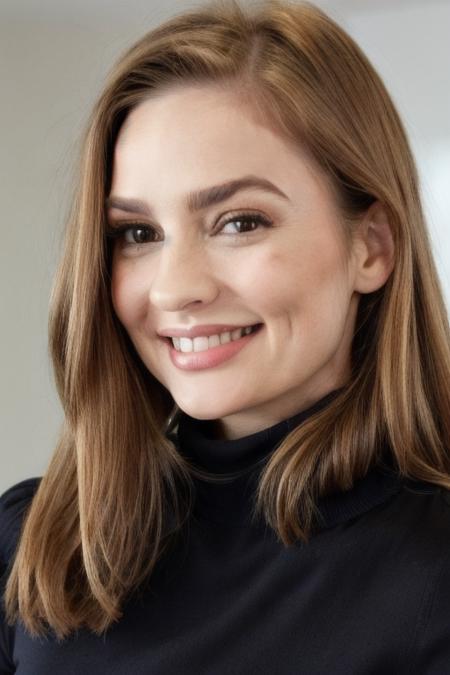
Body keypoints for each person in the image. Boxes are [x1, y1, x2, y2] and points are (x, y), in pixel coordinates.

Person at [1, 0, 450, 672]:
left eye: (239, 221)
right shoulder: (36, 539)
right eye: (138, 234)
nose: (177, 288)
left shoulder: (435, 564)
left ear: (371, 247)